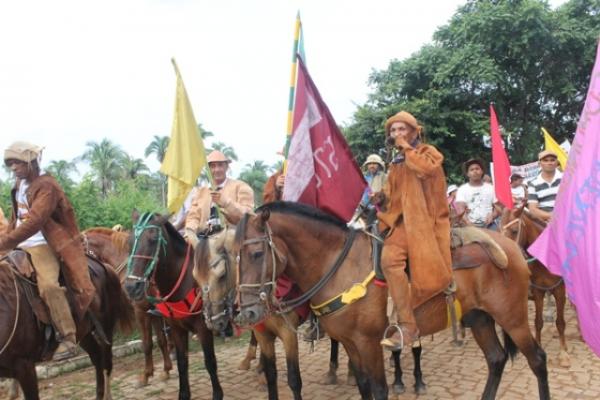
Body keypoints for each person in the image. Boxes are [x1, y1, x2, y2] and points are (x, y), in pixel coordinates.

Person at [0, 141, 96, 360]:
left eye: (18, 163)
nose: (14, 168)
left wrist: (3, 243)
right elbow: (17, 219)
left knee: (49, 287)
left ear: (31, 162)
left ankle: (68, 336)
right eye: (11, 164)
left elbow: (34, 222)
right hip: (19, 243)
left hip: (44, 244)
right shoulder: (19, 184)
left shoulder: (47, 186)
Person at [376, 111, 452, 350]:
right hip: (401, 222)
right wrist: (381, 197)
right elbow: (393, 194)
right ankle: (396, 321)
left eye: (401, 129)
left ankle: (411, 324)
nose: (396, 134)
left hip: (425, 222)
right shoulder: (395, 163)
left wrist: (405, 147)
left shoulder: (428, 153)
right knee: (379, 255)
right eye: (393, 131)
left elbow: (425, 170)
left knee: (402, 262)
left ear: (414, 131)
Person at [184, 150, 254, 246]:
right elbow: (193, 216)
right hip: (205, 241)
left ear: (226, 167)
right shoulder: (201, 192)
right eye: (213, 166)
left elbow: (249, 215)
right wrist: (190, 231)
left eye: (220, 165)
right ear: (208, 169)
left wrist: (226, 203)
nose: (217, 169)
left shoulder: (241, 187)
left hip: (234, 243)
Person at [454, 159, 499, 229]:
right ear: (467, 174)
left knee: (500, 238)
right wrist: (467, 222)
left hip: (489, 224)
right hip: (469, 225)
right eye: (471, 170)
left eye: (477, 169)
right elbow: (460, 209)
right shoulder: (462, 190)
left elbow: (498, 207)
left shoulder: (491, 188)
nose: (475, 171)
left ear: (482, 171)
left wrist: (492, 216)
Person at [527, 150, 562, 222]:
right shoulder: (533, 183)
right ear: (540, 164)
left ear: (556, 163)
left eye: (552, 160)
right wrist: (551, 216)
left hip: (568, 220)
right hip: (545, 223)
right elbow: (532, 209)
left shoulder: (566, 178)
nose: (549, 163)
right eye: (545, 160)